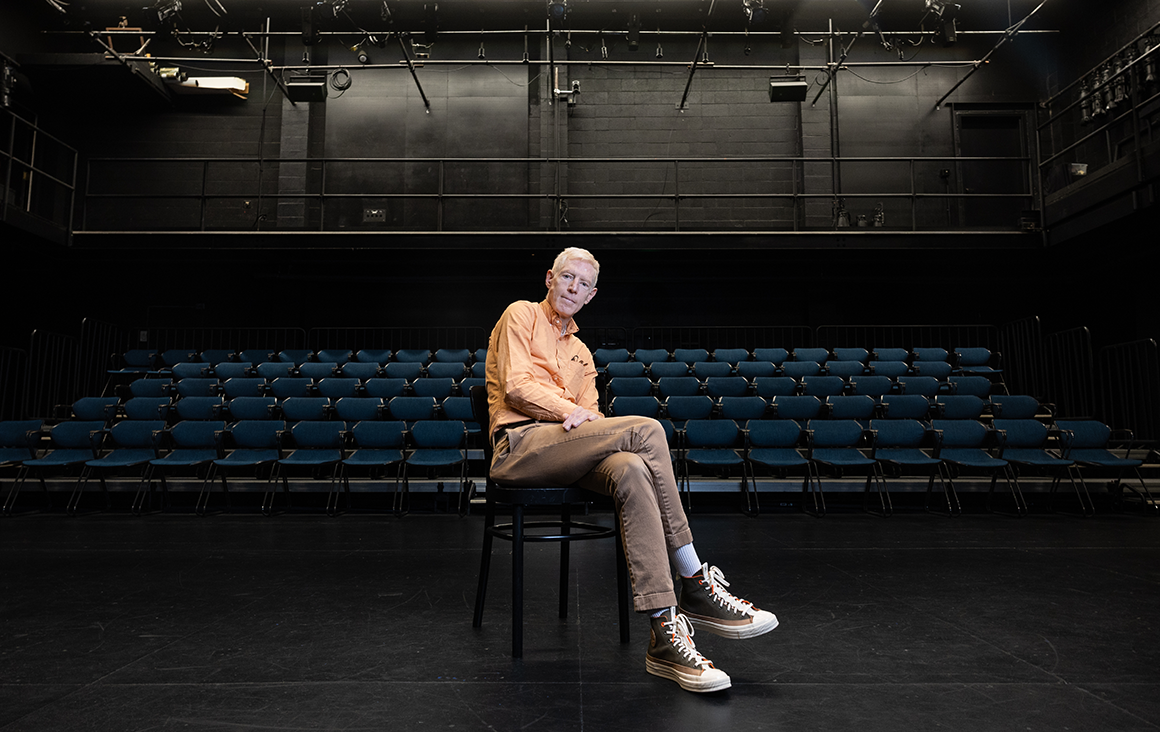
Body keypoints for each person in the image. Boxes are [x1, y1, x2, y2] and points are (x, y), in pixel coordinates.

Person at [484, 247, 778, 693]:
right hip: (521, 446)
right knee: (647, 430)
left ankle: (664, 633)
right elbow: (519, 388)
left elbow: (589, 416)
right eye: (566, 278)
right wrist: (572, 415)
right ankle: (695, 579)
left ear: (591, 295)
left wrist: (581, 422)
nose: (573, 288)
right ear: (549, 278)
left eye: (583, 284)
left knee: (632, 470)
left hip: (567, 449)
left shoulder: (582, 353)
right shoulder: (520, 314)